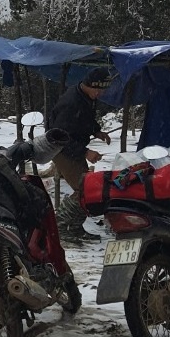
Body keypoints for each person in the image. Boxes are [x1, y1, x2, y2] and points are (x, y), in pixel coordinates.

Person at [48, 67, 114, 243]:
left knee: (87, 188)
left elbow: (85, 118)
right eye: (98, 90)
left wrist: (97, 131)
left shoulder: (84, 97)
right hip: (61, 149)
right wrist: (85, 152)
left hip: (73, 146)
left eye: (102, 91)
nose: (100, 94)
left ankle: (74, 227)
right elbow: (59, 136)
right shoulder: (71, 103)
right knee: (84, 189)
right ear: (88, 85)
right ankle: (60, 227)